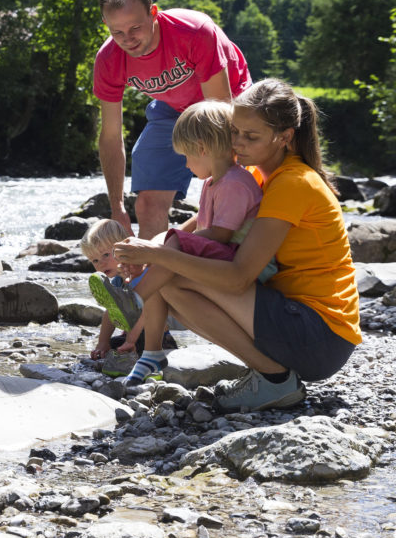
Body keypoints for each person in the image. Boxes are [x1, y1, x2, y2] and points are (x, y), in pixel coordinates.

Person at [112, 79, 362, 412]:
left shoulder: (293, 183)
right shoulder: (260, 174)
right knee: (169, 274)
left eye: (251, 136)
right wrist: (152, 246)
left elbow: (238, 277)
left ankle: (274, 379)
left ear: (284, 137)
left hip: (319, 336)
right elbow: (201, 228)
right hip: (300, 323)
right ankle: (265, 371)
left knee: (171, 273)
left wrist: (158, 255)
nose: (238, 144)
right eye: (235, 132)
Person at [91, 100, 274, 385]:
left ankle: (134, 298)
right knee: (164, 253)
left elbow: (221, 234)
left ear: (202, 149)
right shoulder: (215, 181)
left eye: (186, 157)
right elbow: (201, 225)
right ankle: (152, 352)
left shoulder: (235, 183)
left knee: (169, 248)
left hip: (242, 260)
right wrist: (157, 246)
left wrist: (165, 247)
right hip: (223, 252)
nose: (186, 166)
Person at [94, 0, 251, 239]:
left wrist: (216, 187)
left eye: (135, 28)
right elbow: (110, 136)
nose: (128, 39)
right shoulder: (109, 60)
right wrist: (117, 207)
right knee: (146, 204)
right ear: (105, 24)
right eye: (117, 32)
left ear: (153, 12)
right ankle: (150, 276)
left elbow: (219, 113)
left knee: (227, 197)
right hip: (172, 107)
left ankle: (222, 267)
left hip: (228, 103)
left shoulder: (194, 32)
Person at [79, 219, 146, 378]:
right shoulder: (116, 281)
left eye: (106, 255)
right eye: (95, 260)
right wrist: (103, 342)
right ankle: (128, 348)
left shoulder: (139, 274)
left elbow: (150, 311)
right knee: (112, 348)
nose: (101, 263)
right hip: (132, 336)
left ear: (123, 247)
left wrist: (131, 339)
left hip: (154, 334)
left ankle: (141, 350)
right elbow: (110, 312)